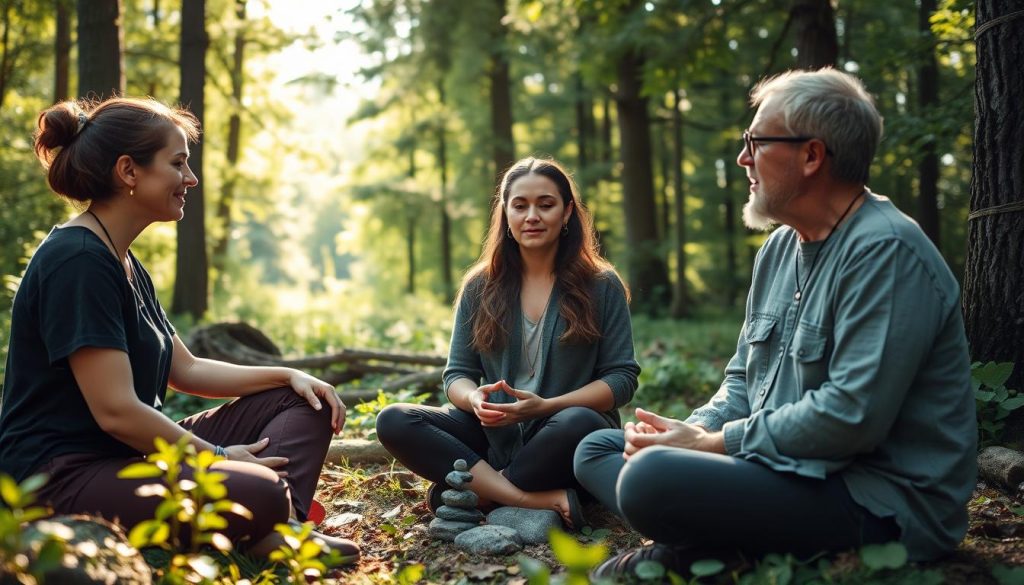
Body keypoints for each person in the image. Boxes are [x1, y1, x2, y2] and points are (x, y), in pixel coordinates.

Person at [574, 68, 976, 579]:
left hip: (877, 499)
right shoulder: (780, 249)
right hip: (785, 471)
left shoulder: (885, 252)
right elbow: (743, 378)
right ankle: (719, 546)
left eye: (756, 142)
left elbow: (850, 417)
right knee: (602, 447)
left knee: (649, 476)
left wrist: (711, 446)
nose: (743, 158)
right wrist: (691, 429)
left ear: (811, 156)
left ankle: (701, 549)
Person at [0, 97, 359, 561]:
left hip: (131, 460)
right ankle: (271, 523)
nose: (190, 179)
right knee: (263, 490)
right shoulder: (78, 263)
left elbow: (185, 369)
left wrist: (287, 375)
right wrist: (216, 455)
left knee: (305, 401)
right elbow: (116, 412)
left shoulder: (120, 257)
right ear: (129, 171)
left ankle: (272, 527)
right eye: (178, 164)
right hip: (62, 477)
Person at [376, 157, 640, 527]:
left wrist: (546, 406)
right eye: (520, 205)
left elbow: (621, 379)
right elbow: (457, 375)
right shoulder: (480, 286)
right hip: (494, 433)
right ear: (505, 214)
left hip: (563, 437)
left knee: (580, 421)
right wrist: (474, 399)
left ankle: (478, 493)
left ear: (566, 213)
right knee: (395, 419)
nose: (532, 215)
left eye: (545, 205)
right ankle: (526, 496)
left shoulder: (601, 284)